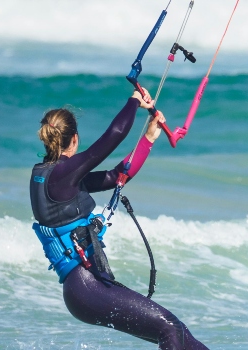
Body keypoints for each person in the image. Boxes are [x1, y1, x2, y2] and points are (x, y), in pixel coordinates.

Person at [29, 89, 209, 350]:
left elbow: (116, 176)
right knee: (169, 327)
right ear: (74, 139)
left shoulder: (54, 178)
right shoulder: (61, 175)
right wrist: (134, 100)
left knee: (179, 333)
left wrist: (147, 139)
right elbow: (113, 136)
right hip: (85, 286)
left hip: (86, 288)